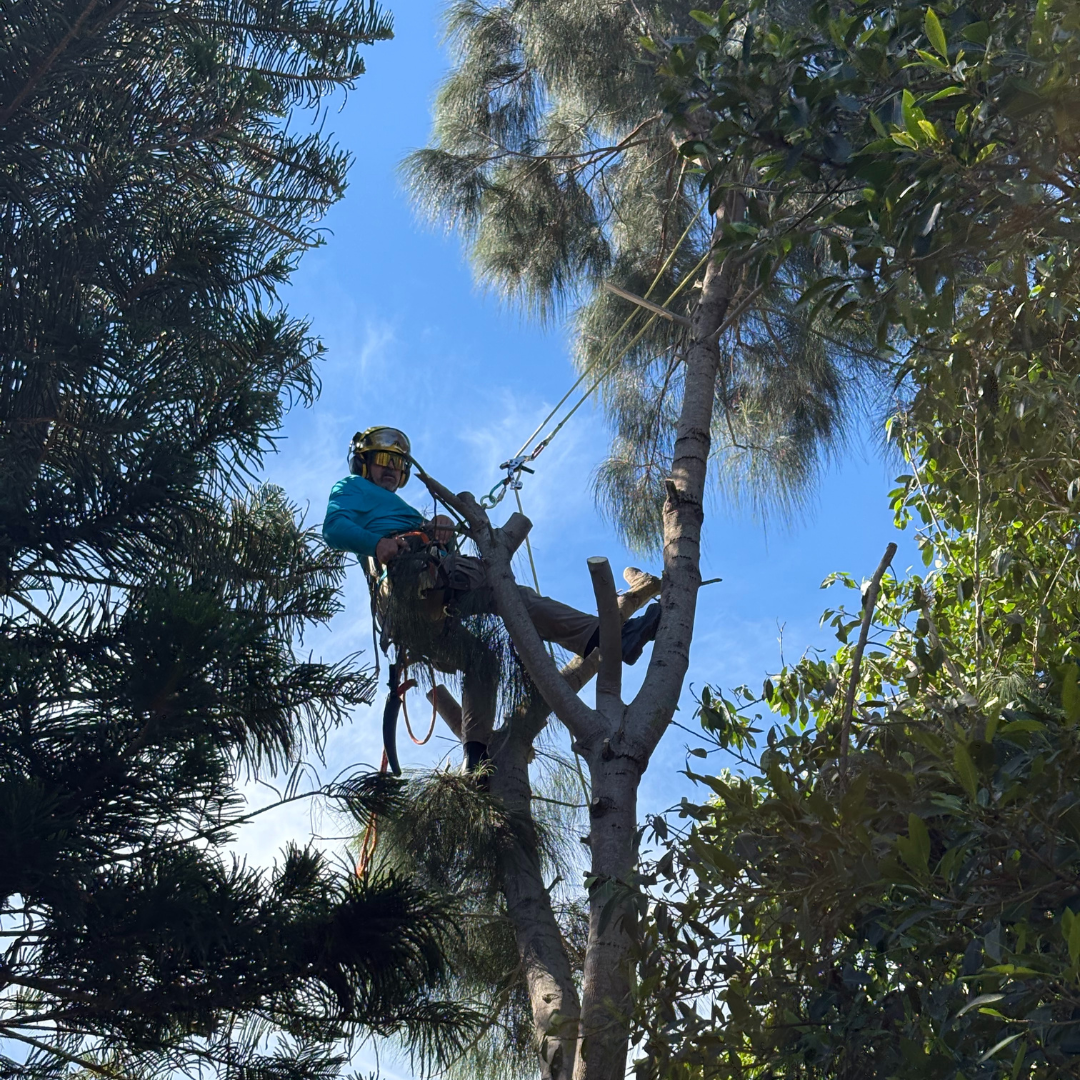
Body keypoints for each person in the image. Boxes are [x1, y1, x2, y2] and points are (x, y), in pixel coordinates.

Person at [323, 426, 661, 771]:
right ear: (362, 463)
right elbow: (333, 528)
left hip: (424, 601)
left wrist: (439, 527)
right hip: (405, 580)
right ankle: (611, 637)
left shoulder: (401, 509)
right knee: (503, 589)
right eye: (382, 460)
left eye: (398, 463)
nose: (392, 469)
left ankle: (476, 756)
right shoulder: (352, 488)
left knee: (481, 659)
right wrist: (378, 545)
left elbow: (442, 552)